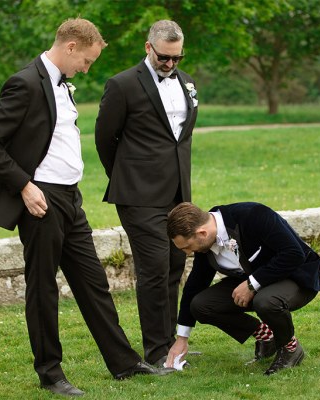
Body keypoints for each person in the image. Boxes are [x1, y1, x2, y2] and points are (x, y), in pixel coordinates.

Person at [0, 18, 171, 397]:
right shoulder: (26, 82)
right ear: (71, 47)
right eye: (88, 62)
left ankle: (125, 364)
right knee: (43, 287)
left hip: (70, 198)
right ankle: (50, 373)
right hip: (41, 199)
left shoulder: (61, 84)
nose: (87, 68)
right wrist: (25, 187)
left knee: (94, 283)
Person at [94, 20, 198, 367]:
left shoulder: (186, 83)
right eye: (164, 58)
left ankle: (171, 344)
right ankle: (155, 350)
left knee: (174, 264)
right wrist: (126, 177)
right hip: (138, 194)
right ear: (148, 47)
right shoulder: (122, 85)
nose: (170, 65)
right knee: (154, 267)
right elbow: (104, 139)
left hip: (178, 193)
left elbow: (180, 138)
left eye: (177, 58)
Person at [165, 202, 320, 375]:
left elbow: (293, 253)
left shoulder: (254, 214)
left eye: (186, 247)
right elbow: (195, 284)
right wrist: (182, 338)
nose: (187, 253)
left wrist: (252, 284)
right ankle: (267, 337)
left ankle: (290, 348)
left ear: (202, 233)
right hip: (256, 282)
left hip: (295, 277)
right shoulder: (205, 243)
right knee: (201, 305)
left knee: (266, 301)